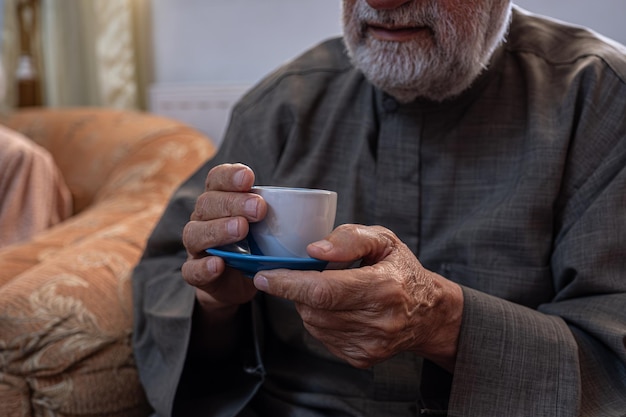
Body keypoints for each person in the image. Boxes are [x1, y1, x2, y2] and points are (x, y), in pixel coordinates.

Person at [132, 0, 626, 416]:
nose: (381, 2)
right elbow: (165, 277)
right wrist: (216, 302)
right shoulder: (282, 103)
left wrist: (443, 322)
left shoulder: (602, 99)